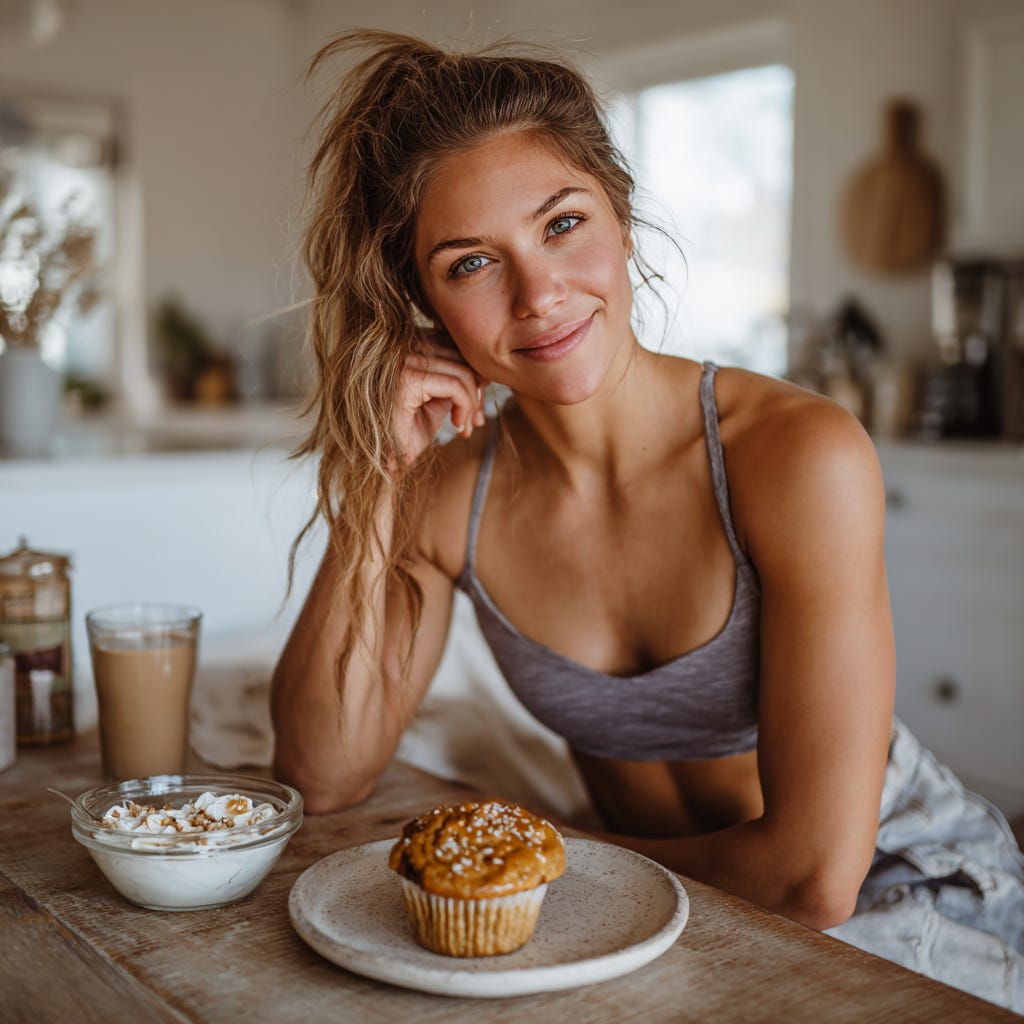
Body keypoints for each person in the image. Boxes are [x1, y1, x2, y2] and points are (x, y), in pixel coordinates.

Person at [271, 30, 1024, 1010]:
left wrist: (536, 854)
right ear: (423, 304)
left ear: (620, 215)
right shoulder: (445, 490)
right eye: (469, 264)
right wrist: (373, 476)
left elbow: (811, 876)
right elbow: (322, 773)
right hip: (645, 914)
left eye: (561, 223)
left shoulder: (795, 456)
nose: (539, 295)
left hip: (901, 894)